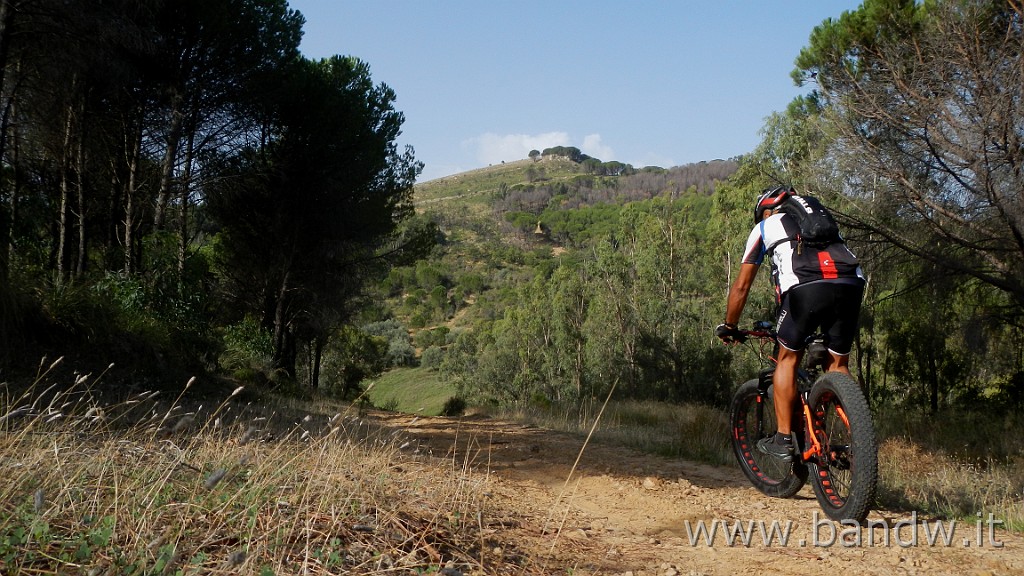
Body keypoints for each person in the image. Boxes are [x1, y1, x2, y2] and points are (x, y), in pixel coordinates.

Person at [715, 186, 866, 462]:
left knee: (787, 358)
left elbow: (741, 286)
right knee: (838, 364)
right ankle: (856, 439)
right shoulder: (823, 220)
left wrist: (730, 324)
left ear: (766, 210)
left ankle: (784, 438)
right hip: (851, 284)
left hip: (805, 289)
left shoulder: (765, 226)